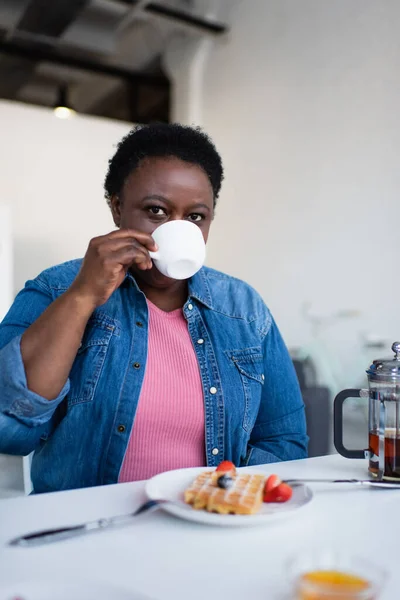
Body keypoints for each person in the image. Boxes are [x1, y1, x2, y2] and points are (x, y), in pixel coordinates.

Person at [0, 124, 307, 493]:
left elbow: (284, 441)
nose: (176, 229)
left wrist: (226, 503)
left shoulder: (243, 309)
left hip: (208, 528)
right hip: (87, 532)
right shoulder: (55, 290)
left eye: (195, 217)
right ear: (117, 208)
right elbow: (9, 432)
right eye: (156, 211)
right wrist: (82, 296)